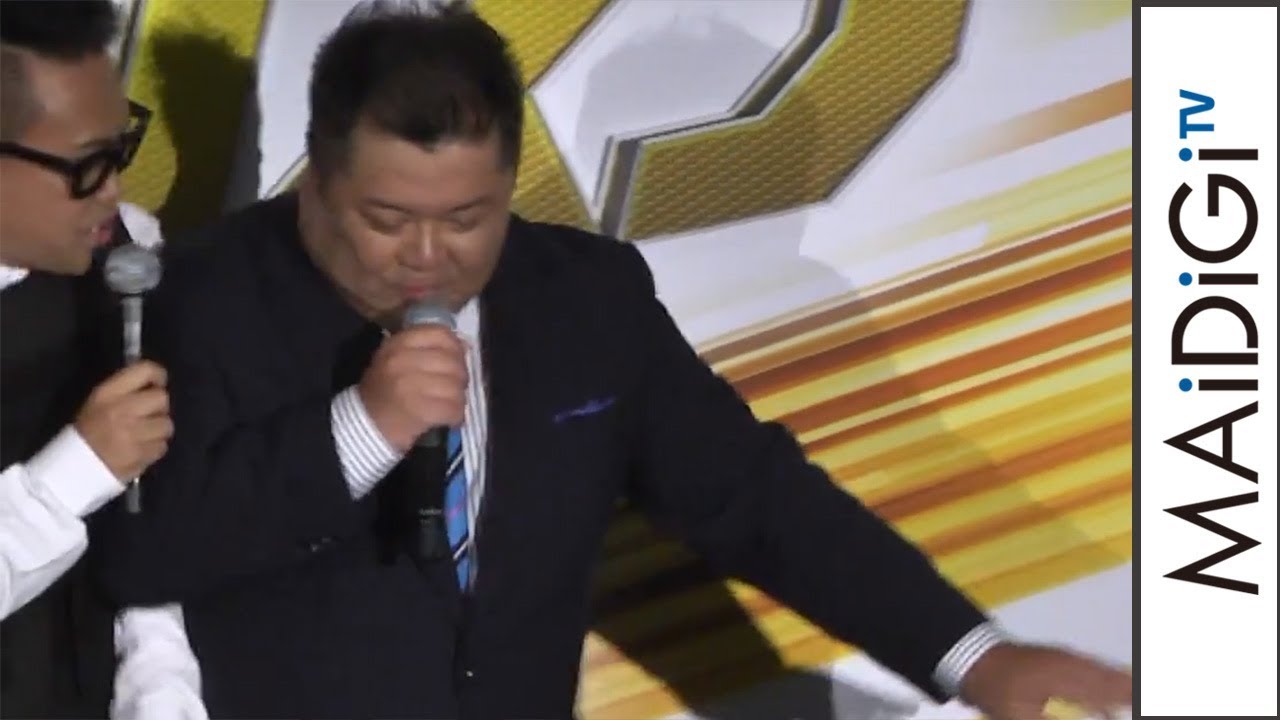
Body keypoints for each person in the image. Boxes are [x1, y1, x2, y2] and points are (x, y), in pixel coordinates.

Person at [95, 3, 1133, 719]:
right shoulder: (198, 299)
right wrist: (362, 429)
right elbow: (145, 557)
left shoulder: (584, 300)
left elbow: (753, 497)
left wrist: (973, 655)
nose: (428, 255)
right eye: (387, 219)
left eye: (468, 217)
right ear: (316, 180)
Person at [0, 2, 205, 718]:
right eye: (89, 165)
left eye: (122, 149)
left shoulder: (126, 261)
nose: (115, 189)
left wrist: (162, 690)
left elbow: (148, 537)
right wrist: (76, 471)